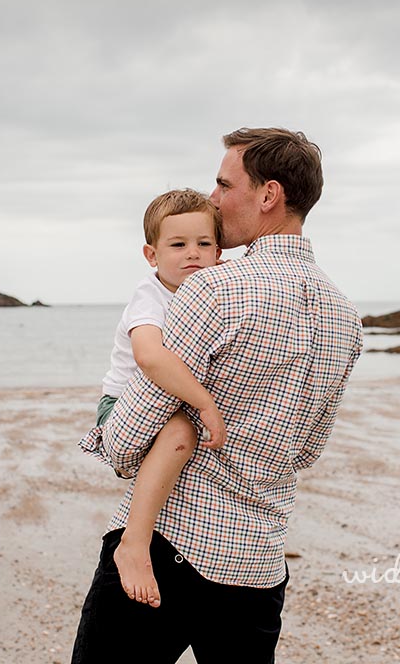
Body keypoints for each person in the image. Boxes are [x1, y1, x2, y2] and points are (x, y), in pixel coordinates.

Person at [72, 128, 363, 663]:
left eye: (224, 183)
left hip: (168, 547)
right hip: (258, 567)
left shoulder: (213, 289)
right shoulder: (345, 316)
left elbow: (125, 442)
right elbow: (308, 451)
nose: (213, 198)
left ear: (268, 195)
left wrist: (128, 434)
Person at [78, 189, 229, 609]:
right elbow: (148, 356)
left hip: (170, 401)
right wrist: (203, 402)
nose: (192, 254)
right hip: (121, 404)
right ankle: (134, 542)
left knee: (183, 436)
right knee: (182, 432)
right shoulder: (151, 294)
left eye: (203, 244)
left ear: (218, 250)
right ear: (151, 254)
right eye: (178, 245)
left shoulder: (213, 286)